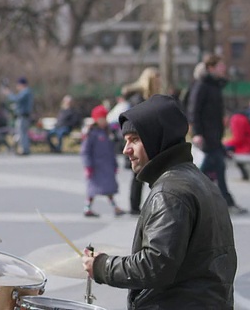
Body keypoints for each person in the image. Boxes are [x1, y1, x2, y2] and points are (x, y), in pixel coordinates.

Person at [82, 94, 237, 309]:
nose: (127, 149)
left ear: (157, 139)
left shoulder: (169, 192)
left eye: (135, 139)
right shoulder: (198, 180)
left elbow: (155, 265)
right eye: (126, 141)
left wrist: (102, 266)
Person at [187, 54, 248, 214]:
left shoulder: (215, 86)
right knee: (212, 168)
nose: (224, 69)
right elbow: (194, 110)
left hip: (215, 134)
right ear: (211, 68)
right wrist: (197, 133)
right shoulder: (202, 85)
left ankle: (202, 199)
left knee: (212, 169)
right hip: (206, 135)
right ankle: (222, 201)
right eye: (220, 66)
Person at [120, 67, 161, 215]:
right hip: (140, 140)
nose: (159, 82)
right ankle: (134, 206)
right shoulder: (138, 99)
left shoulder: (150, 98)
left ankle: (144, 204)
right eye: (157, 79)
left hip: (148, 139)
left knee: (148, 173)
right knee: (138, 174)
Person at [80, 104, 124, 217]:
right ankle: (87, 207)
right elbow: (85, 151)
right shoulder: (91, 133)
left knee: (109, 188)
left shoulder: (107, 132)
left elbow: (111, 150)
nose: (104, 121)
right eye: (102, 118)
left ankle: (115, 207)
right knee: (93, 189)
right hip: (96, 166)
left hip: (107, 166)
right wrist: (88, 165)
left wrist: (115, 164)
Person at [224, 112, 250, 181]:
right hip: (248, 144)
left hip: (247, 146)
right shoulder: (237, 118)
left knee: (223, 149)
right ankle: (244, 173)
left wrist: (225, 143)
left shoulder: (236, 120)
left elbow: (239, 139)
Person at [4, 76, 34, 155]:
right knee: (22, 133)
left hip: (23, 116)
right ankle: (24, 149)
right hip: (23, 116)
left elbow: (16, 99)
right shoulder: (27, 92)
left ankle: (24, 150)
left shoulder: (26, 91)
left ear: (22, 84)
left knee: (22, 133)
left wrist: (9, 94)